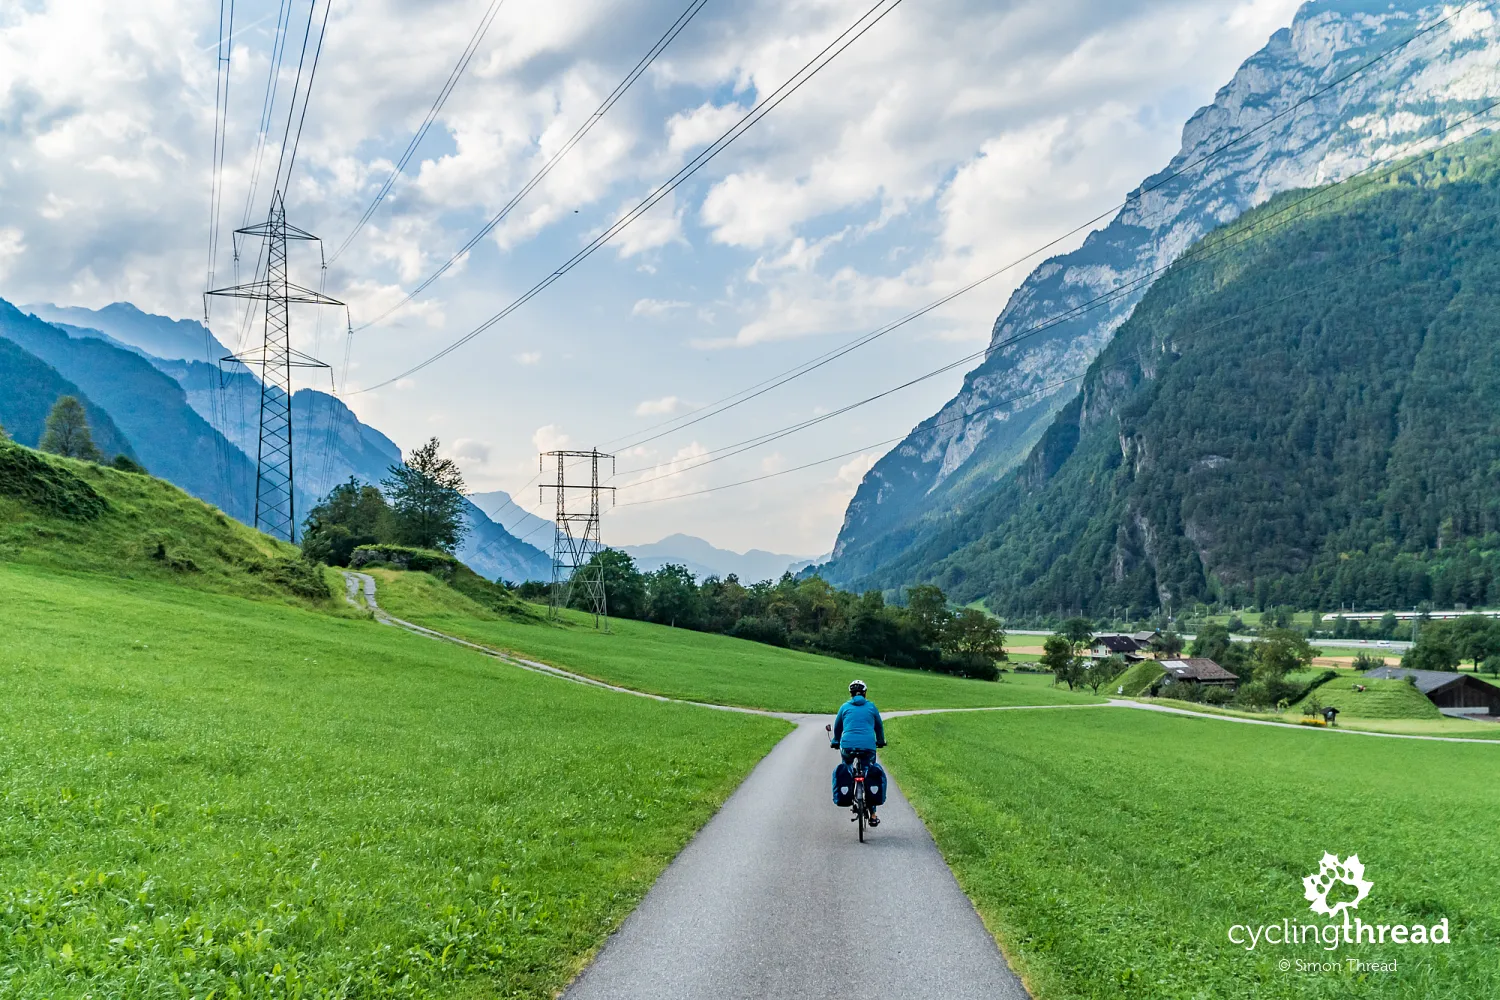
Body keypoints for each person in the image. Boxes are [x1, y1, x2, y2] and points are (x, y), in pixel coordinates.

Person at [831, 679, 886, 826]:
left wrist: (835, 741)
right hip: (868, 747)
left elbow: (837, 728)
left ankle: (848, 792)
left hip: (847, 746)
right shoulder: (871, 707)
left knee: (847, 766)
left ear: (850, 694)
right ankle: (873, 814)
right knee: (869, 773)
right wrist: (880, 741)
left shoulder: (844, 707)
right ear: (865, 693)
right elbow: (879, 727)